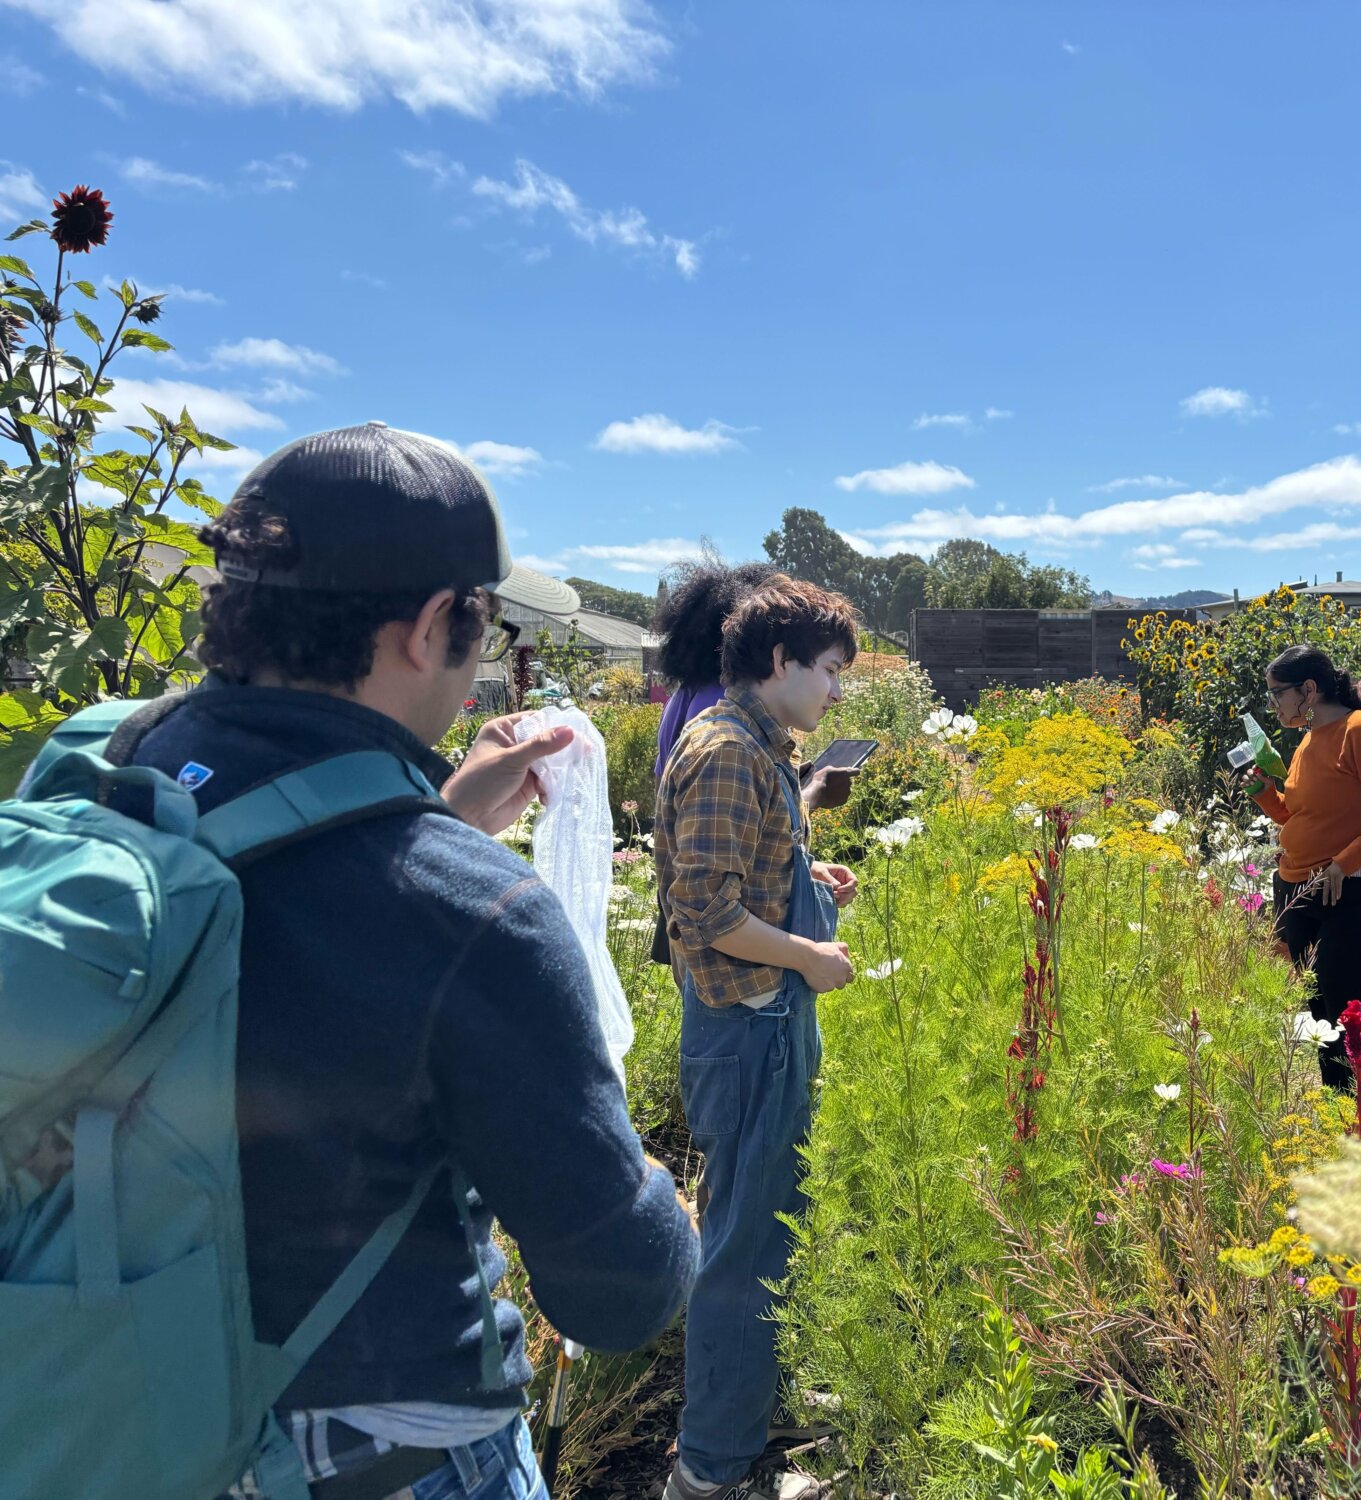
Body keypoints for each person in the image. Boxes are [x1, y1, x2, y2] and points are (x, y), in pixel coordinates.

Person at [129, 424, 699, 1499]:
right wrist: (669, 1206)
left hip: (110, 1412)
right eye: (484, 629)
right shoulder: (470, 912)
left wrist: (434, 817)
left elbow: (287, 923)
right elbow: (619, 1294)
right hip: (372, 1451)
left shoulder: (120, 769)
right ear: (435, 624)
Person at [655, 577, 863, 1500]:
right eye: (829, 670)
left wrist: (806, 876)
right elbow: (703, 911)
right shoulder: (728, 752)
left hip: (766, 1022)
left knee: (771, 1224)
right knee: (741, 1246)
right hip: (747, 1030)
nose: (836, 692)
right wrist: (809, 954)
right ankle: (710, 1466)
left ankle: (751, 1408)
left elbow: (741, 874)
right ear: (779, 661)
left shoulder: (761, 747)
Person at [1249, 644, 1361, 1086]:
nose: (1273, 705)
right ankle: (1341, 1112)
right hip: (1301, 888)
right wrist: (1265, 795)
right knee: (1321, 1012)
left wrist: (1345, 861)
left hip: (1354, 888)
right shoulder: (1308, 740)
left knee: (1350, 1013)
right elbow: (1302, 817)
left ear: (1309, 689)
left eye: (1277, 694)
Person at [653, 560, 854, 811]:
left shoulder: (693, 693)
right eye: (830, 670)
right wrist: (813, 792)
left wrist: (783, 786)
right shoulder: (727, 743)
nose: (837, 695)